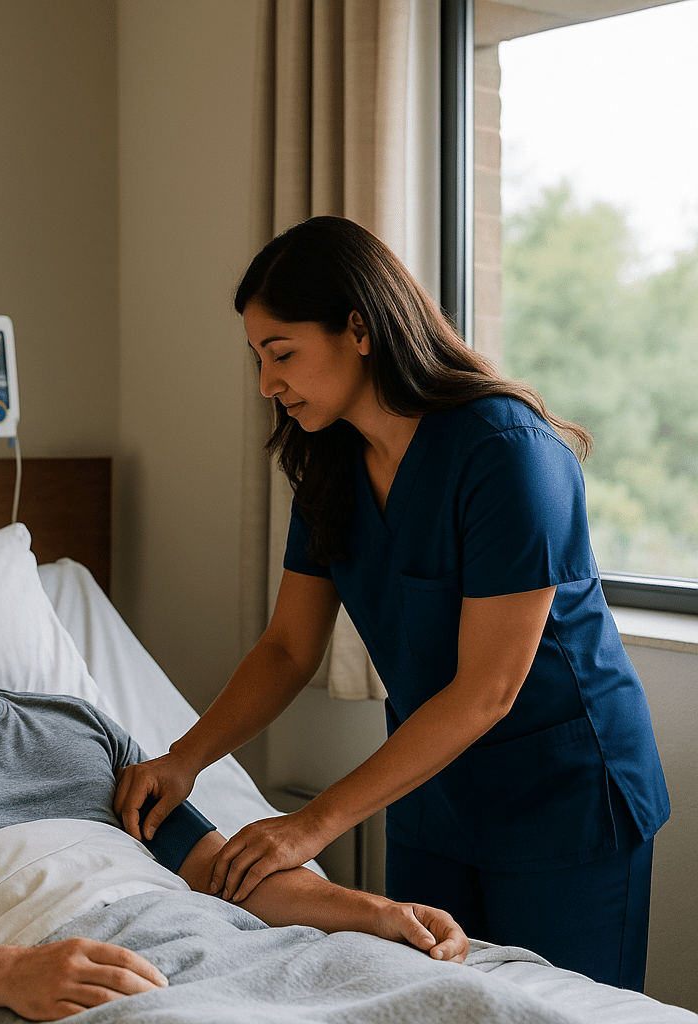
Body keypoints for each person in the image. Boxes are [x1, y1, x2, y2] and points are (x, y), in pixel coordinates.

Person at [115, 216, 670, 992]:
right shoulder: (329, 462)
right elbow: (286, 648)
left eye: (282, 354)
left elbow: (488, 690)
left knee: (562, 1011)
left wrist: (308, 826)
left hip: (563, 798)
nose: (267, 384)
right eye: (258, 358)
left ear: (360, 329)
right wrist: (186, 760)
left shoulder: (509, 457)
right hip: (433, 799)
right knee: (431, 999)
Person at [0, 473, 469, 1024]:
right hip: (83, 980)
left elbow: (218, 871)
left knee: (470, 1001)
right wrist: (7, 975)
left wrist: (371, 912)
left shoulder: (78, 723)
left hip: (225, 941)